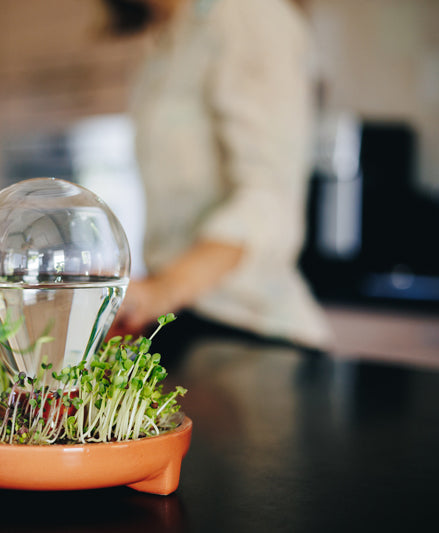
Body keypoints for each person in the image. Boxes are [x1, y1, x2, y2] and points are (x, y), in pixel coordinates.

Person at [103, 0, 332, 350]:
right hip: (180, 324)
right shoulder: (167, 39)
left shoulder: (249, 13)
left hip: (250, 331)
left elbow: (269, 196)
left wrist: (164, 289)